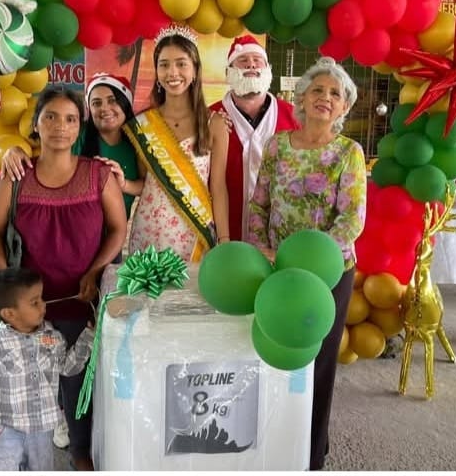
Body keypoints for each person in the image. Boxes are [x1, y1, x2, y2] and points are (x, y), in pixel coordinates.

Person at [0, 86, 127, 471]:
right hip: (31, 309)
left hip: (81, 300)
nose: (60, 126)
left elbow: (118, 229)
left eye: (70, 119)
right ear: (36, 124)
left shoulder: (98, 174)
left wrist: (95, 270)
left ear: (79, 127)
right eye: (50, 117)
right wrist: (7, 288)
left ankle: (80, 452)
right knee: (26, 388)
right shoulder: (16, 174)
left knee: (78, 384)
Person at [246, 57, 367, 471]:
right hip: (277, 267)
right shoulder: (277, 145)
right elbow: (259, 203)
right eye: (318, 89)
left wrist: (314, 259)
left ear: (344, 106)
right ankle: (273, 445)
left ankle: (312, 455)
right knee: (276, 352)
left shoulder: (348, 152)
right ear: (301, 98)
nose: (325, 98)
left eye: (335, 93)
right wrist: (262, 248)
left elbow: (351, 218)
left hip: (328, 273)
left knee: (318, 361)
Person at [0, 267, 95, 471]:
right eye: (35, 302)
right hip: (4, 429)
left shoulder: (53, 338)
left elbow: (67, 368)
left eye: (41, 298)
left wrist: (87, 338)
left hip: (42, 430)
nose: (43, 305)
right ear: (9, 313)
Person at [122, 24, 230, 261]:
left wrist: (224, 240)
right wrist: (123, 184)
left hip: (195, 235)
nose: (172, 72)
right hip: (149, 233)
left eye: (181, 64)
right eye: (164, 64)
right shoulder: (143, 124)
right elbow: (145, 183)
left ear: (195, 70)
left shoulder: (214, 124)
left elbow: (218, 187)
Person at [0, 74, 142, 220]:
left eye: (112, 101)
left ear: (125, 103)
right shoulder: (77, 133)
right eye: (96, 103)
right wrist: (15, 151)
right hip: (75, 223)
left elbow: (148, 186)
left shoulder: (140, 141)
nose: (104, 108)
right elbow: (44, 155)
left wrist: (124, 185)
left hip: (116, 227)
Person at [208, 34, 299, 242]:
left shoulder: (293, 118)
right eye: (243, 60)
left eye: (257, 60)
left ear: (268, 69)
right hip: (224, 235)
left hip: (280, 236)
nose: (251, 64)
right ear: (228, 72)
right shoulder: (210, 117)